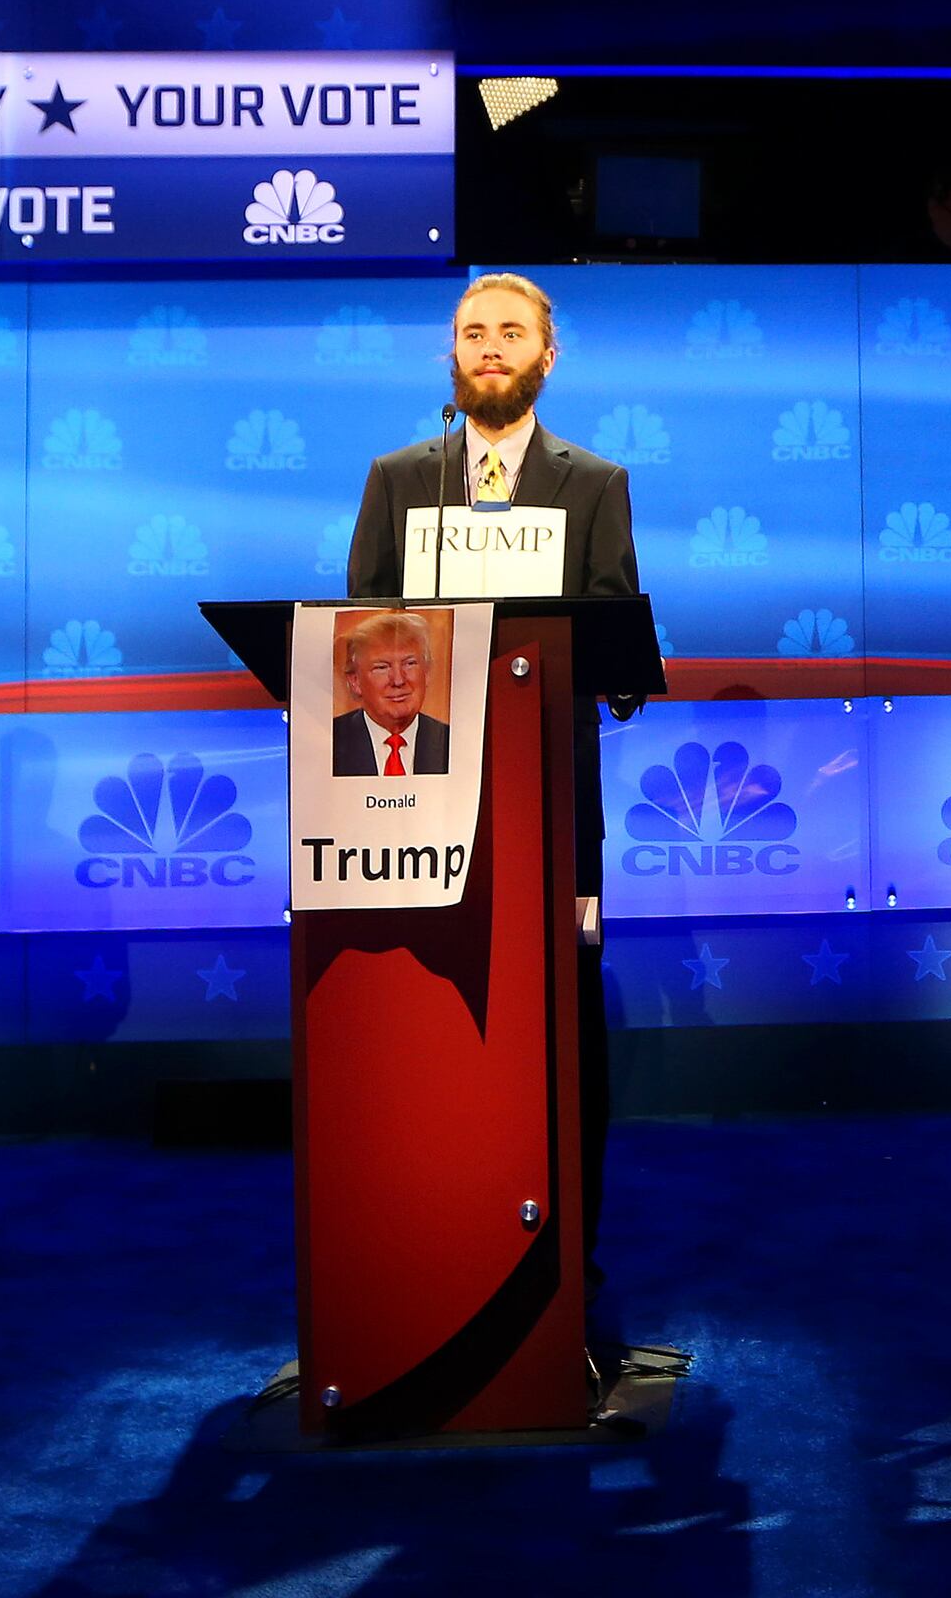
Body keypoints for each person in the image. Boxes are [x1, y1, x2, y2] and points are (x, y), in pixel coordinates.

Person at [342, 272, 643, 1364]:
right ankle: (433, 1257)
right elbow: (356, 636)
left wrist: (602, 662)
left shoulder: (596, 485)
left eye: (511, 332)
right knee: (431, 1027)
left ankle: (571, 1274)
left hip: (555, 810)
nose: (490, 348)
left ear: (548, 356)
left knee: (565, 1037)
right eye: (472, 333)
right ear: (450, 357)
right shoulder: (394, 481)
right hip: (411, 812)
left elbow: (618, 648)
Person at [331, 609, 454, 773]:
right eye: (382, 667)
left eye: (409, 664)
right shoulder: (330, 742)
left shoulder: (451, 742)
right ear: (355, 681)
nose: (398, 680)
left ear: (427, 672)